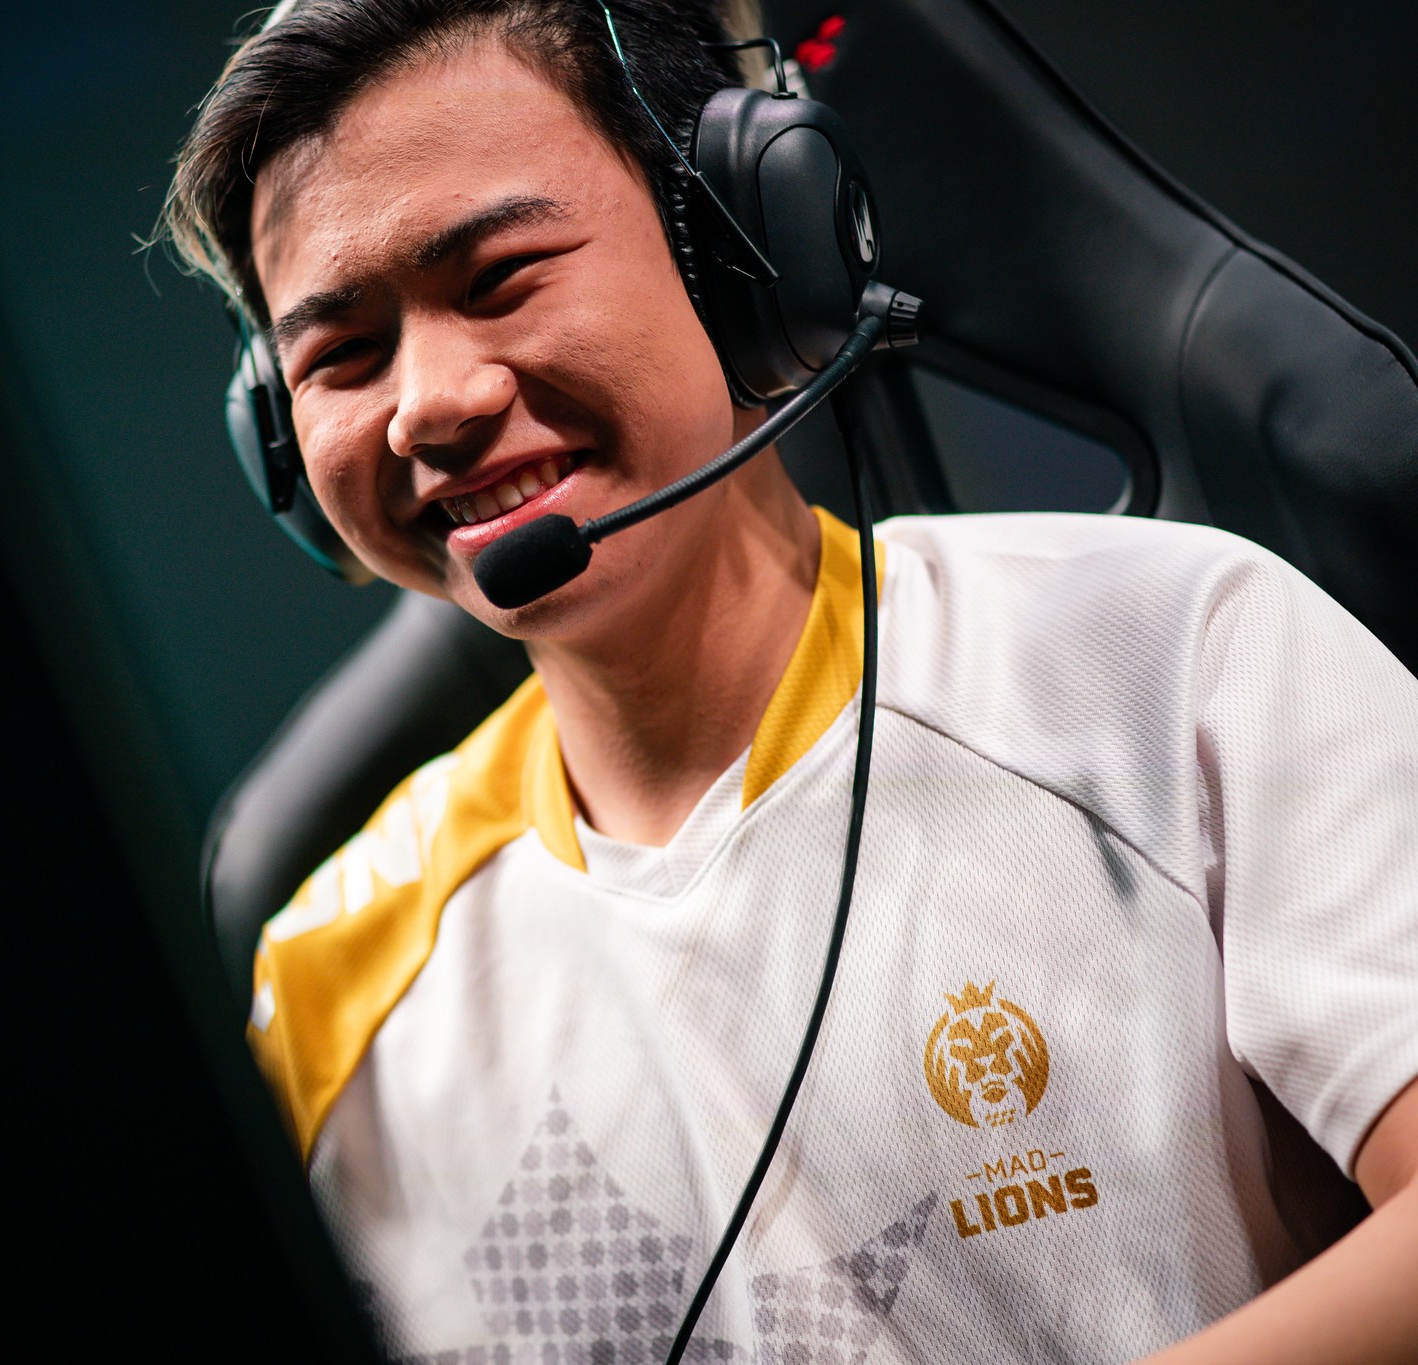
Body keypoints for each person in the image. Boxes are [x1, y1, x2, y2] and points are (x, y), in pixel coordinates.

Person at [159, 1, 1418, 1360]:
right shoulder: (330, 990)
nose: (431, 402)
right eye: (343, 356)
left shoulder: (1175, 659)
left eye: (502, 276)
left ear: (737, 256)